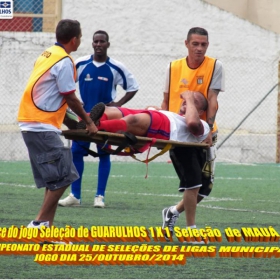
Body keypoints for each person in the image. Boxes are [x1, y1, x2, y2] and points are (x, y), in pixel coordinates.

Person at [17, 19, 98, 230]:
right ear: (75, 39)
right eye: (80, 37)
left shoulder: (47, 54)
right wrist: (88, 122)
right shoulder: (65, 61)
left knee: (54, 180)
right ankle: (37, 223)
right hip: (41, 125)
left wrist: (72, 123)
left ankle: (46, 230)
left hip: (32, 121)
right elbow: (70, 97)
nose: (80, 40)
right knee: (65, 177)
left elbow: (51, 95)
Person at [59, 30, 139, 208]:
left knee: (104, 153)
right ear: (92, 43)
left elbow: (133, 87)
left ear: (107, 44)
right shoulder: (80, 63)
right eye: (95, 41)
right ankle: (75, 195)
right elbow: (66, 84)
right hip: (83, 118)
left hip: (106, 120)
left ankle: (99, 197)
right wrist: (75, 103)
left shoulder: (116, 67)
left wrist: (118, 104)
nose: (98, 44)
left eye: (102, 41)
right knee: (76, 153)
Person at [161, 27, 225, 241]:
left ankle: (172, 212)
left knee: (205, 188)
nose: (199, 48)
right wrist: (162, 132)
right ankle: (191, 230)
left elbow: (213, 100)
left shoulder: (215, 66)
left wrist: (208, 128)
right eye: (195, 44)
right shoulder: (173, 67)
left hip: (204, 133)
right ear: (186, 43)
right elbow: (166, 100)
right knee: (193, 183)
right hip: (180, 135)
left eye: (203, 44)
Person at [77, 90, 209, 145]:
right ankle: (83, 120)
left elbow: (192, 123)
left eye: (194, 101)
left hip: (168, 128)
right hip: (161, 118)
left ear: (201, 111)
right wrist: (156, 110)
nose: (188, 101)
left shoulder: (204, 125)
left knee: (131, 120)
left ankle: (95, 126)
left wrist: (189, 97)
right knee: (112, 110)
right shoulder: (175, 115)